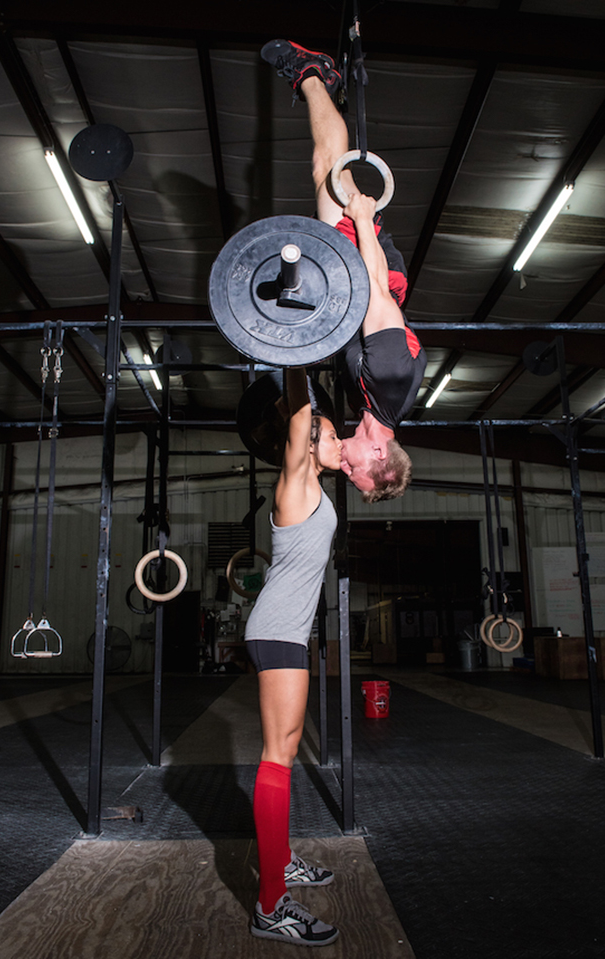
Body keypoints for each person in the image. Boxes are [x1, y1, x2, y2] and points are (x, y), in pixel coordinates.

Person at [261, 40, 428, 502]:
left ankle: (318, 79)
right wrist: (360, 218)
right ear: (379, 455)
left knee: (328, 168)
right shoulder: (391, 381)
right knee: (328, 169)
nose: (346, 467)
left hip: (357, 277)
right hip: (366, 266)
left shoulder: (372, 406)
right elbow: (377, 290)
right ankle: (312, 72)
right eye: (355, 473)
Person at [244, 366, 342, 946]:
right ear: (306, 440)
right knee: (278, 756)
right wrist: (299, 345)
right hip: (279, 630)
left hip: (286, 631)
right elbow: (302, 413)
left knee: (284, 748)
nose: (336, 441)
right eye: (328, 436)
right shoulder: (297, 480)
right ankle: (270, 905)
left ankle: (279, 864)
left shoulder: (314, 486)